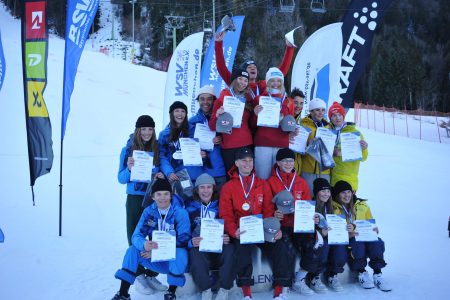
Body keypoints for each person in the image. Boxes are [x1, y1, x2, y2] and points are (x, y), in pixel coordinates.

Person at [219, 148, 291, 300]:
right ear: (236, 163)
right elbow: (225, 214)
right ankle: (246, 292)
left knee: (279, 244)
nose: (248, 163)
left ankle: (279, 290)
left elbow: (268, 210)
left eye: (250, 160)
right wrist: (234, 231)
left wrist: (274, 229)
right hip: (241, 231)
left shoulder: (261, 184)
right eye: (244, 160)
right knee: (241, 250)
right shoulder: (228, 187)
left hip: (261, 229)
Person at [112, 179, 191, 300]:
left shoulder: (180, 213)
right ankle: (123, 293)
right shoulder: (149, 212)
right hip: (156, 259)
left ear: (171, 195)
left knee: (180, 252)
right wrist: (144, 244)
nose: (162, 198)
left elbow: (183, 240)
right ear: (153, 196)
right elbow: (136, 236)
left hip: (174, 260)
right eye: (158, 194)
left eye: (166, 194)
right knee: (132, 250)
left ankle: (171, 292)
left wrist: (157, 253)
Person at [117, 115, 166, 293]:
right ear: (138, 130)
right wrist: (129, 169)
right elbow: (120, 179)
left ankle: (151, 274)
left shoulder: (156, 148)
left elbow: (159, 171)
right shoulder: (128, 149)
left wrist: (159, 175)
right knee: (134, 235)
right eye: (143, 129)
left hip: (152, 198)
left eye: (150, 129)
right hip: (135, 198)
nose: (147, 133)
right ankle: (138, 274)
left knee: (155, 235)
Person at [267, 149, 327, 295]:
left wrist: (312, 217)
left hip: (299, 225)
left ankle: (299, 279)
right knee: (287, 249)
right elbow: (267, 206)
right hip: (282, 226)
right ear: (278, 163)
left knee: (315, 242)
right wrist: (273, 214)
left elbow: (307, 205)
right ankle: (284, 284)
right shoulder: (270, 182)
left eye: (291, 160)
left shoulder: (301, 182)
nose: (288, 163)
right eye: (285, 161)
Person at [331, 180, 391, 292]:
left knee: (376, 242)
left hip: (364, 235)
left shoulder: (362, 205)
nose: (347, 195)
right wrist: (347, 234)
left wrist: (374, 229)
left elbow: (370, 222)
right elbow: (335, 230)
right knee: (357, 243)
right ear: (338, 194)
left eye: (348, 192)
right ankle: (362, 272)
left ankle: (378, 274)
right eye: (343, 193)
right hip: (349, 239)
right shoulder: (334, 208)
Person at [186, 173, 235, 300]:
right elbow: (184, 231)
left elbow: (229, 221)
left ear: (213, 189)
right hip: (200, 245)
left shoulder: (221, 204)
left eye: (209, 187)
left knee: (230, 250)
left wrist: (227, 236)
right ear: (197, 189)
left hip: (218, 244)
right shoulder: (189, 207)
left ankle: (224, 289)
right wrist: (191, 241)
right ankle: (206, 290)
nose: (206, 191)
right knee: (194, 253)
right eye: (202, 187)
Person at [214, 31, 295, 99]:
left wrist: (289, 47)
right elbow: (221, 68)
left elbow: (280, 73)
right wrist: (218, 43)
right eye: (249, 67)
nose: (253, 68)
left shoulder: (262, 84)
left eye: (254, 67)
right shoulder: (236, 83)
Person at [252, 68, 296, 179]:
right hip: (263, 144)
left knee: (280, 178)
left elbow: (290, 124)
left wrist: (293, 130)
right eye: (272, 80)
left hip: (281, 144)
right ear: (267, 82)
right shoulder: (259, 99)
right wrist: (255, 114)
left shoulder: (288, 101)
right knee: (262, 177)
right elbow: (252, 125)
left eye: (279, 80)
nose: (276, 84)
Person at [208, 68, 254, 174]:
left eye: (245, 80)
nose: (242, 82)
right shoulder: (222, 97)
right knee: (232, 176)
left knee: (247, 176)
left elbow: (251, 124)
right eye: (240, 79)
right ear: (234, 80)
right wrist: (217, 115)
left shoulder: (247, 98)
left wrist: (256, 113)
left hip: (246, 143)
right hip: (229, 145)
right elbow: (212, 126)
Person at [159, 101, 204, 198]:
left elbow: (203, 148)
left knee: (195, 206)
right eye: (177, 111)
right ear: (171, 113)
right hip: (176, 176)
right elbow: (161, 156)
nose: (180, 114)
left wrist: (203, 154)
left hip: (194, 175)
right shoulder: (164, 134)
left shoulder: (194, 130)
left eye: (183, 111)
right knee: (179, 204)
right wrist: (169, 172)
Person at [188, 86, 227, 191]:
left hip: (218, 170)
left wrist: (221, 139)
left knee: (220, 203)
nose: (205, 102)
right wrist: (197, 150)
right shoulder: (192, 121)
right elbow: (187, 144)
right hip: (199, 171)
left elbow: (231, 138)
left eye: (209, 99)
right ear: (198, 101)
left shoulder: (223, 117)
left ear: (214, 100)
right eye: (202, 99)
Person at [327, 101, 368, 191]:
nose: (337, 118)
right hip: (331, 179)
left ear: (343, 116)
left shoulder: (354, 133)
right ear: (330, 118)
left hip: (349, 180)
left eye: (339, 115)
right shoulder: (327, 131)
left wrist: (364, 148)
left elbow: (364, 157)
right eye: (334, 115)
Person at [300, 98, 330, 193]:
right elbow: (299, 150)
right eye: (317, 110)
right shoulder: (303, 125)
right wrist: (308, 145)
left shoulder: (328, 127)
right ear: (311, 111)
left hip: (325, 171)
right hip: (308, 170)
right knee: (309, 197)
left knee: (323, 199)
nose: (321, 113)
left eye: (323, 110)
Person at [289, 88, 305, 174]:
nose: (299, 106)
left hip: (298, 168)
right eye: (296, 102)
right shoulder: (283, 118)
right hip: (286, 165)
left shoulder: (302, 123)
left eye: (301, 103)